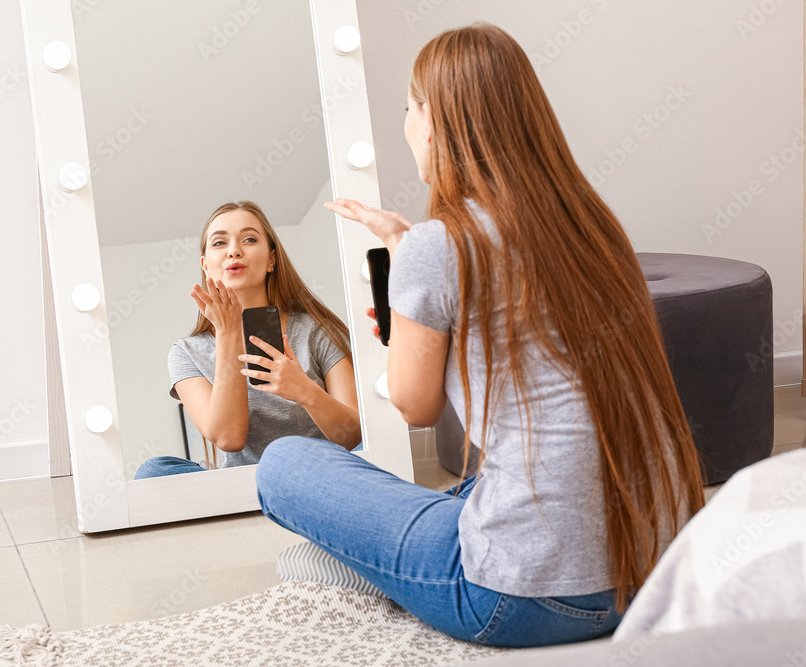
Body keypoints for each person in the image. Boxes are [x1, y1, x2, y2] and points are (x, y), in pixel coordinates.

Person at [254, 24, 705, 648]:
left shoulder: (442, 246)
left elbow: (415, 405)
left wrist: (406, 286)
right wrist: (410, 258)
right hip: (652, 579)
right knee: (473, 486)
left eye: (409, 109)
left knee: (283, 464)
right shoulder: (595, 229)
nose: (407, 124)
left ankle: (373, 566)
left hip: (519, 599)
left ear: (433, 122)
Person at [134, 201, 361, 479]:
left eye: (249, 239)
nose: (234, 251)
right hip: (244, 480)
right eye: (219, 243)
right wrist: (228, 332)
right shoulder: (186, 352)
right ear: (206, 266)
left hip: (315, 473)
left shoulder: (315, 329)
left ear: (271, 260)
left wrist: (304, 391)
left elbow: (352, 437)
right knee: (154, 471)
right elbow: (229, 439)